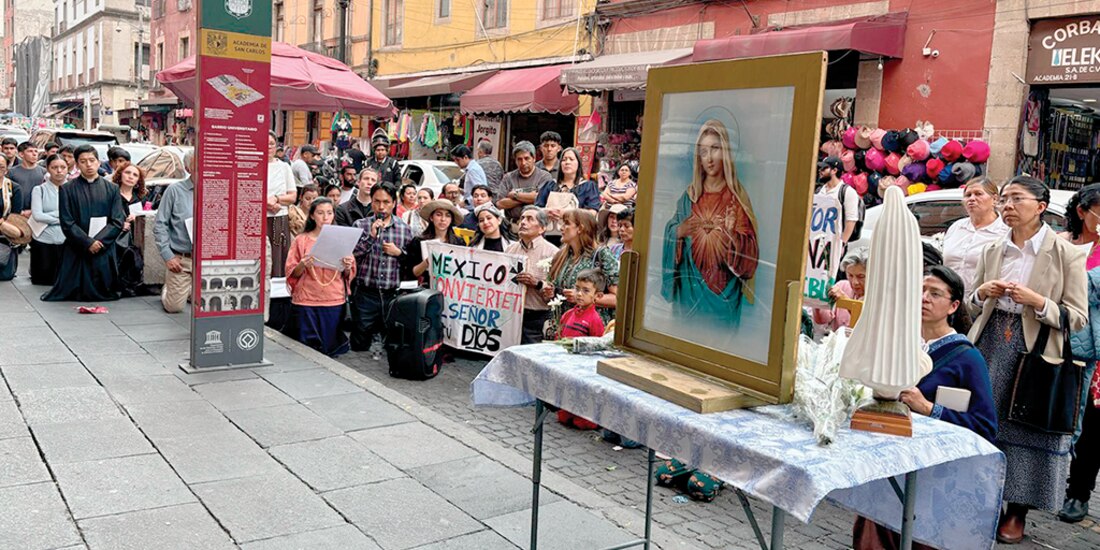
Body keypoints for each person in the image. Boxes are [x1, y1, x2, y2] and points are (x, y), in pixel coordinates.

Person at [967, 176, 1088, 544]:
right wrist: (982, 292)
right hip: (990, 342)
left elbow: (1077, 317)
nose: (1007, 206)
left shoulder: (1066, 253)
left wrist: (1038, 303)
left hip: (1034, 349)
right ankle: (981, 500)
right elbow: (972, 303)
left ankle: (1016, 511)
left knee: (1024, 428)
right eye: (1003, 199)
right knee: (984, 423)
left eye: (1016, 199)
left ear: (1040, 206)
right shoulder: (993, 250)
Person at [854, 265, 998, 549]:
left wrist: (929, 408)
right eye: (920, 291)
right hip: (887, 466)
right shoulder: (898, 343)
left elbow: (986, 427)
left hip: (933, 480)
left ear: (953, 305)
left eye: (934, 293)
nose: (924, 298)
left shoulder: (967, 358)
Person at [663, 119, 759, 326]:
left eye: (715, 149)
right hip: (689, 290)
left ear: (725, 151)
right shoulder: (689, 197)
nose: (709, 158)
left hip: (724, 292)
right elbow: (672, 231)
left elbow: (749, 254)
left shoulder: (737, 198)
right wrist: (678, 231)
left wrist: (732, 234)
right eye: (703, 151)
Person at [1058, 183, 1100, 524]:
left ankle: (1078, 492)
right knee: (1055, 412)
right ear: (1083, 212)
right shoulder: (1061, 243)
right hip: (1057, 339)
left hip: (1097, 353)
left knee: (1092, 423)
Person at [41, 145, 126, 302]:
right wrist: (87, 242)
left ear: (99, 163)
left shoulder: (112, 188)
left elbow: (117, 220)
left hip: (103, 244)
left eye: (92, 160)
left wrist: (99, 241)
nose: (88, 165)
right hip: (77, 244)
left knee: (105, 287)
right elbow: (67, 221)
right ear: (77, 164)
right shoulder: (67, 189)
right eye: (83, 161)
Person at [286, 198, 356, 357]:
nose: (325, 217)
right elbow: (291, 272)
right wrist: (303, 264)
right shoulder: (301, 240)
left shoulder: (341, 238)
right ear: (311, 215)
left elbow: (348, 274)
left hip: (333, 298)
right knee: (307, 349)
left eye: (329, 213)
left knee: (330, 348)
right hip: (307, 299)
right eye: (320, 213)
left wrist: (347, 266)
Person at [350, 184, 414, 355]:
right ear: (371, 202)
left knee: (391, 342)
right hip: (365, 293)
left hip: (392, 294)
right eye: (377, 201)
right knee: (359, 343)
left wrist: (398, 253)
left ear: (394, 203)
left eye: (386, 202)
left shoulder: (404, 229)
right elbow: (351, 254)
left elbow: (411, 262)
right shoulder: (360, 225)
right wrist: (371, 237)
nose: (381, 207)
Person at [541, 209, 619, 325]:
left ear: (580, 228)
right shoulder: (561, 256)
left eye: (567, 223)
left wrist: (582, 297)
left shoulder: (601, 254)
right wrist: (550, 293)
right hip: (562, 325)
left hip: (588, 328)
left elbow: (617, 299)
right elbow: (550, 296)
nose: (561, 228)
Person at [554, 268, 606, 431]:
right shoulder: (568, 314)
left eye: (585, 291)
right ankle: (568, 411)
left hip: (583, 367)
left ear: (597, 296)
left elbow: (597, 346)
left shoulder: (594, 319)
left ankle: (586, 417)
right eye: (577, 289)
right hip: (566, 363)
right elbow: (559, 335)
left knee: (582, 393)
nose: (579, 294)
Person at [943, 177, 1010, 293]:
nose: (972, 199)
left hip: (981, 302)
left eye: (978, 194)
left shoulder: (1005, 232)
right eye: (968, 195)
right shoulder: (956, 227)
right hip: (948, 299)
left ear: (994, 199)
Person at [507, 206, 559, 344]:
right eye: (522, 218)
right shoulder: (510, 249)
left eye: (530, 219)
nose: (523, 222)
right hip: (511, 315)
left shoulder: (553, 253)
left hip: (536, 317)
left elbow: (556, 290)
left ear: (542, 229)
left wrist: (537, 284)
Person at [154, 151, 195, 314]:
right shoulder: (175, 190)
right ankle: (169, 289)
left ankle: (189, 289)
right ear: (188, 168)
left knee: (209, 303)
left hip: (207, 261)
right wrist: (168, 256)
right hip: (182, 258)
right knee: (174, 307)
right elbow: (160, 224)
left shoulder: (216, 189)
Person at [29, 154, 68, 286]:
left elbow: (75, 215)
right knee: (42, 280)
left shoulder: (72, 189)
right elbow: (38, 215)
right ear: (47, 169)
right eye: (54, 167)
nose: (59, 171)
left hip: (66, 240)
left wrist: (51, 216)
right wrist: (62, 218)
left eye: (63, 167)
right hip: (43, 240)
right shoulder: (39, 189)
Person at [404, 198, 465, 281]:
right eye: (439, 214)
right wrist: (428, 261)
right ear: (431, 218)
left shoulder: (459, 243)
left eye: (447, 215)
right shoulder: (418, 241)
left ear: (451, 220)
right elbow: (412, 272)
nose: (443, 219)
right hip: (426, 290)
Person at [112, 162, 148, 297]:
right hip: (115, 238)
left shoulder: (140, 199)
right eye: (127, 173)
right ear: (120, 175)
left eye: (135, 175)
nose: (130, 177)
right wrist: (120, 224)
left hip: (133, 239)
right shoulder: (112, 194)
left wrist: (138, 217)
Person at [535, 147, 601, 221]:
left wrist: (567, 214)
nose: (567, 162)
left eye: (571, 159)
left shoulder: (588, 186)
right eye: (564, 160)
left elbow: (592, 213)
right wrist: (547, 212)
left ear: (578, 163)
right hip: (550, 230)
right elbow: (536, 209)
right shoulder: (550, 185)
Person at [497, 141, 554, 223]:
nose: (523, 163)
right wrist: (528, 198)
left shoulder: (544, 176)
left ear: (534, 158)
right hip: (512, 225)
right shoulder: (508, 178)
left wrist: (515, 195)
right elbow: (500, 204)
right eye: (519, 159)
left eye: (527, 158)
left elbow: (540, 198)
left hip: (535, 225)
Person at [812, 249, 868, 332]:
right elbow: (822, 319)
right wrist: (817, 300)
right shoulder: (842, 286)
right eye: (850, 275)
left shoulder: (877, 295)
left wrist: (845, 301)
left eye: (861, 276)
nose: (855, 282)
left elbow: (865, 323)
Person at [266, 132, 296, 278]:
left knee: (278, 258)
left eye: (271, 144)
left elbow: (292, 196)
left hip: (279, 218)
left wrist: (277, 199)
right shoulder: (252, 164)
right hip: (258, 218)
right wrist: (266, 203)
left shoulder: (284, 167)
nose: (268, 147)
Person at [816, 156, 860, 244]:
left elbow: (851, 221)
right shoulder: (820, 190)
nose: (820, 171)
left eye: (824, 168)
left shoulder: (847, 192)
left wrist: (842, 244)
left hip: (835, 243)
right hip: (817, 241)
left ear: (834, 170)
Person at [0, 156, 26, 281]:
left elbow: (16, 217)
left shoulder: (14, 188)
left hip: (4, 235)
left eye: (1, 167)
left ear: (6, 170)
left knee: (5, 275)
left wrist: (3, 222)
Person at [9, 142, 44, 215]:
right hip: (17, 212)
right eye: (30, 151)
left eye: (36, 151)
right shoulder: (12, 172)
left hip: (38, 212)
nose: (34, 154)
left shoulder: (44, 172)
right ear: (21, 154)